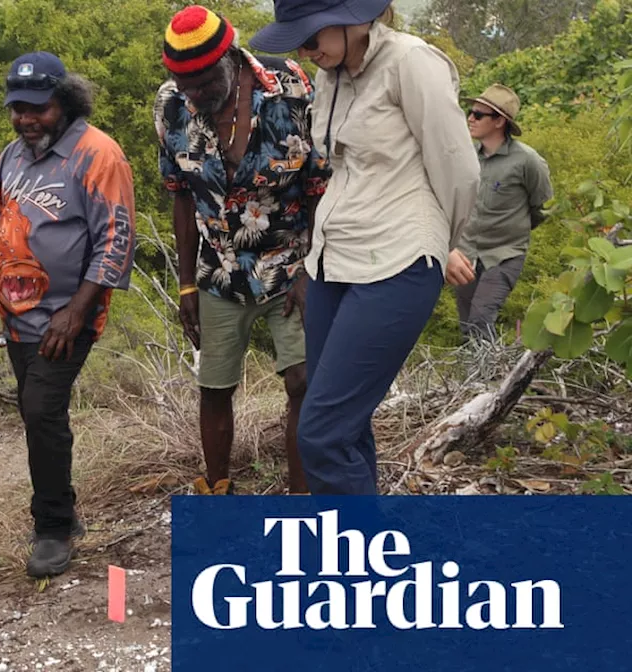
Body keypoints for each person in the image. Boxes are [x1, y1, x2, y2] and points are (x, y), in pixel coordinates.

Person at [250, 0, 480, 494]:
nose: (306, 50)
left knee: (320, 435)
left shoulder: (411, 63)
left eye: (313, 36)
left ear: (354, 17)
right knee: (344, 423)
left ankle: (355, 563)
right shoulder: (334, 75)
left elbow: (458, 169)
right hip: (335, 258)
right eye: (298, 40)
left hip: (398, 258)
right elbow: (339, 172)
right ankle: (358, 554)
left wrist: (445, 244)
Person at [155, 5, 331, 496]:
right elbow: (181, 194)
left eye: (204, 82)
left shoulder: (291, 87)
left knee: (301, 380)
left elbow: (320, 185)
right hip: (219, 269)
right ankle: (217, 489)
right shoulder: (171, 106)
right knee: (214, 385)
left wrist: (311, 267)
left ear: (232, 57)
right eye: (183, 83)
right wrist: (186, 282)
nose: (194, 94)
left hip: (290, 259)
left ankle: (302, 501)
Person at [0, 52, 136, 577]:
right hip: (17, 312)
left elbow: (115, 241)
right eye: (17, 109)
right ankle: (62, 506)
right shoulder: (11, 157)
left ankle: (52, 527)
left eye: (37, 109)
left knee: (41, 408)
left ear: (64, 102)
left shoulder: (97, 155)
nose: (25, 119)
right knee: (36, 409)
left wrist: (75, 312)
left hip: (69, 314)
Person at [451, 84, 553, 343]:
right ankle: (475, 382)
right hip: (466, 254)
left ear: (499, 121)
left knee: (481, 317)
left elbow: (542, 208)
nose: (470, 118)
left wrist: (513, 230)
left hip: (505, 254)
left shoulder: (527, 160)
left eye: (478, 114)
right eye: (470, 112)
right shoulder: (465, 156)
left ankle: (491, 380)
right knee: (466, 325)